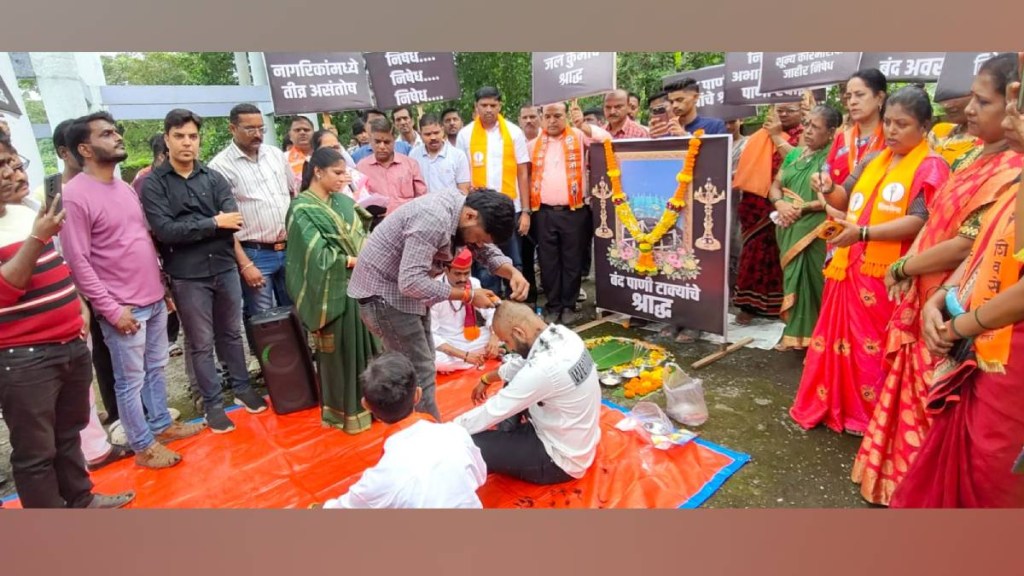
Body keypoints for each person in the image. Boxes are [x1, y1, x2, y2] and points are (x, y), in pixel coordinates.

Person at [855, 53, 1023, 506]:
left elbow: (968, 244)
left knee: (941, 415)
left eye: (983, 102)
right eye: (972, 99)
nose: (969, 109)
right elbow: (945, 226)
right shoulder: (971, 157)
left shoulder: (1010, 170)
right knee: (908, 392)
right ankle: (897, 484)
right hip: (937, 296)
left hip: (970, 314)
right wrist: (920, 277)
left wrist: (905, 268)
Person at [790, 86, 951, 436]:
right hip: (849, 265)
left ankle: (871, 416)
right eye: (888, 122)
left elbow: (922, 220)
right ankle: (837, 405)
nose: (891, 130)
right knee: (839, 343)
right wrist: (828, 187)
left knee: (873, 347)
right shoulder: (873, 159)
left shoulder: (932, 166)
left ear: (924, 125)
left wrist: (863, 233)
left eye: (902, 124)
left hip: (890, 273)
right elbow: (844, 198)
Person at [61, 111, 205, 468]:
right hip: (123, 307)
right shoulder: (74, 196)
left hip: (153, 298)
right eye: (106, 134)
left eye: (116, 131)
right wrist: (111, 310)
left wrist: (162, 287)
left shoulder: (123, 186)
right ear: (85, 149)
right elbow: (78, 261)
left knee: (156, 368)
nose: (117, 137)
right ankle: (142, 445)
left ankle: (162, 425)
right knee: (130, 381)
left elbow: (140, 240)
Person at [0, 150, 134, 508]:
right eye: (2, 166)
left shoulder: (25, 212)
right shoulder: (34, 225)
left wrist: (78, 303)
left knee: (68, 434)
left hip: (68, 343)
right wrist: (37, 237)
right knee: (36, 451)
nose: (14, 172)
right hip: (24, 357)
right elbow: (6, 289)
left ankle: (80, 500)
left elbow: (55, 264)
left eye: (15, 163)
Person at [347, 187, 527, 421]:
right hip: (385, 296)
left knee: (424, 365)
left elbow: (487, 251)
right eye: (480, 238)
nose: (479, 244)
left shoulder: (465, 213)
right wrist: (468, 296)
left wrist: (512, 272)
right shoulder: (433, 220)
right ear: (470, 216)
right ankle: (428, 434)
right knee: (418, 374)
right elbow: (411, 281)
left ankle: (420, 428)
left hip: (408, 296)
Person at [142, 109, 268, 434]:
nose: (187, 143)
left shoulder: (213, 178)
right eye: (179, 136)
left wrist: (197, 225)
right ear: (167, 139)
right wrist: (213, 222)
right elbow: (166, 231)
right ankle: (212, 404)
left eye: (193, 137)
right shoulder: (154, 185)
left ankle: (242, 388)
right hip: (187, 275)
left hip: (224, 267)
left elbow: (233, 219)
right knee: (200, 342)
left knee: (232, 333)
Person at [454, 301, 601, 485]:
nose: (510, 349)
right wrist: (487, 379)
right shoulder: (563, 335)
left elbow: (493, 410)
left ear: (519, 333)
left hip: (559, 460)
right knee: (514, 380)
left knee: (467, 444)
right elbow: (519, 365)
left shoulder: (544, 369)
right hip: (574, 437)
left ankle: (506, 439)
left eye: (507, 341)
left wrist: (446, 432)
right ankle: (508, 435)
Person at [286, 147, 379, 433]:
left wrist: (366, 255)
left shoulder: (343, 201)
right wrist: (352, 260)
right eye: (337, 173)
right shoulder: (301, 209)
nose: (343, 178)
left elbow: (364, 233)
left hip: (362, 288)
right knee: (343, 353)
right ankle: (346, 412)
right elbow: (315, 259)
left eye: (345, 172)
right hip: (334, 292)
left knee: (372, 349)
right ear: (318, 172)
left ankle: (378, 405)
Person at [320, 353, 487, 508]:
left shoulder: (380, 478)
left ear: (366, 405)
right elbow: (480, 476)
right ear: (418, 395)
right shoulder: (456, 434)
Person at [209, 103, 296, 360]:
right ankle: (273, 369)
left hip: (288, 248)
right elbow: (224, 225)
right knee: (263, 319)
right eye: (250, 129)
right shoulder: (220, 167)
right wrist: (245, 264)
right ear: (232, 128)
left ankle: (299, 366)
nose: (258, 134)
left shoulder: (276, 155)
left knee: (295, 311)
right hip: (255, 253)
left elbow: (292, 195)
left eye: (261, 128)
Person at [529, 101, 611, 325]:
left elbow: (606, 140)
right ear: (542, 118)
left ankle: (569, 305)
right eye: (548, 116)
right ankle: (553, 304)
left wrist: (583, 125)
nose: (552, 121)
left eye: (557, 116)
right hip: (543, 212)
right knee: (548, 262)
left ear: (565, 116)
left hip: (574, 211)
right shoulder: (534, 144)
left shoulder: (578, 136)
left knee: (572, 260)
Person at [769, 105, 842, 351]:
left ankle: (819, 339)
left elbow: (835, 197)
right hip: (788, 227)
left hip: (815, 230)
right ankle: (795, 335)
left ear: (831, 132)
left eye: (815, 127)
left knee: (814, 282)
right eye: (807, 124)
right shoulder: (794, 155)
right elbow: (775, 186)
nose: (808, 131)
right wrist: (780, 204)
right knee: (793, 280)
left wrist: (801, 208)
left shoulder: (832, 159)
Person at [733, 103, 806, 326]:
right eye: (779, 110)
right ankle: (748, 305)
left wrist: (776, 136)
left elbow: (799, 162)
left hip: (786, 203)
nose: (783, 114)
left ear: (801, 111)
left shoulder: (804, 134)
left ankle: (779, 306)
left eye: (789, 110)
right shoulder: (759, 135)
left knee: (778, 253)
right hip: (755, 204)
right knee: (753, 252)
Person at [456, 87, 532, 298]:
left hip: (510, 209)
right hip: (478, 212)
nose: (488, 109)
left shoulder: (514, 132)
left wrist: (526, 212)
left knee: (513, 260)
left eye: (493, 105)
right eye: (484, 105)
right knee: (484, 263)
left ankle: (515, 304)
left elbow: (522, 173)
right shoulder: (465, 135)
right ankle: (489, 307)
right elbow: (462, 174)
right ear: (476, 107)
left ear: (500, 106)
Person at [430, 248, 501, 373]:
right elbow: (431, 334)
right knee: (433, 360)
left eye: (466, 273)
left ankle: (473, 358)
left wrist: (494, 337)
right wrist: (464, 355)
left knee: (506, 330)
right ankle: (478, 356)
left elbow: (493, 310)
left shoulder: (474, 283)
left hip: (471, 339)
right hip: (447, 343)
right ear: (446, 270)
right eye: (458, 274)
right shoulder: (435, 289)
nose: (463, 279)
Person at [822, 69, 889, 197]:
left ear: (880, 98)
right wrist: (827, 204)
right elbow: (824, 177)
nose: (852, 102)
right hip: (836, 208)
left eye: (860, 95)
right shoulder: (842, 137)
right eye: (849, 97)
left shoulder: (891, 138)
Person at [356, 117, 428, 214]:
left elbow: (422, 198)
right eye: (377, 142)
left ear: (394, 141)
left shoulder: (410, 164)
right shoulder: (361, 168)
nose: (382, 146)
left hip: (409, 219)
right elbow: (358, 201)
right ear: (371, 141)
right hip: (378, 221)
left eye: (386, 142)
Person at [409, 114, 471, 195]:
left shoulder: (458, 156)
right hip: (422, 203)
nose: (433, 137)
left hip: (451, 203)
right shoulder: (413, 155)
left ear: (443, 131)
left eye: (436, 133)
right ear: (420, 135)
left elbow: (463, 190)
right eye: (427, 134)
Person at [651, 77, 728, 138]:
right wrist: (653, 139)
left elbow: (717, 152)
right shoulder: (666, 130)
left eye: (680, 100)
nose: (674, 105)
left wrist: (685, 136)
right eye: (671, 102)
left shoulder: (715, 126)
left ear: (696, 97)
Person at [929, 92, 984, 169]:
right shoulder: (940, 130)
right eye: (944, 100)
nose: (947, 105)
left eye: (956, 97)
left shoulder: (987, 143)